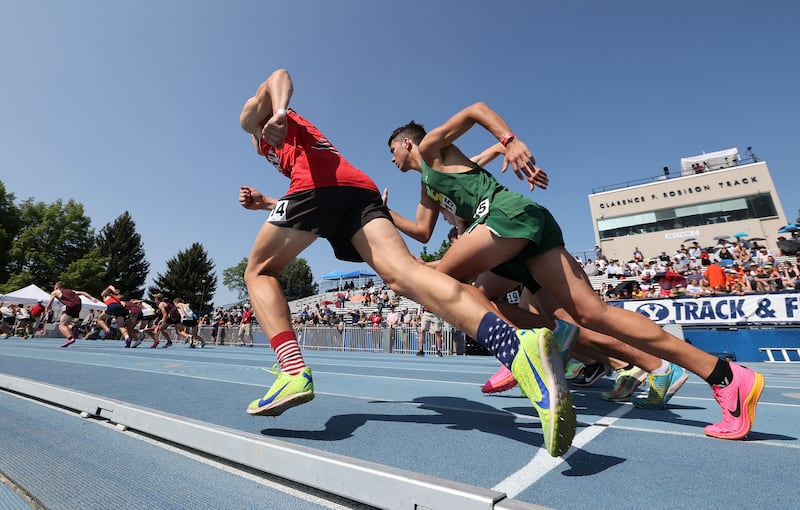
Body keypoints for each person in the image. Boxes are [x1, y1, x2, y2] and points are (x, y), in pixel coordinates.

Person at [237, 69, 575, 457]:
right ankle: (516, 348)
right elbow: (313, 202)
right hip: (356, 191)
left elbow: (278, 76)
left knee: (258, 271)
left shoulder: (252, 119)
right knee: (405, 276)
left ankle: (292, 370)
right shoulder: (278, 145)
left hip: (319, 188)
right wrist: (267, 202)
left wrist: (279, 111)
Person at [386, 102, 765, 440]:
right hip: (514, 234)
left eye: (392, 152)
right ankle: (725, 375)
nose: (391, 160)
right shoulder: (428, 188)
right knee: (593, 314)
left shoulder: (431, 147)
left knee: (444, 284)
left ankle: (524, 348)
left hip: (503, 217)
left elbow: (476, 109)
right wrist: (383, 214)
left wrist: (510, 141)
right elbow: (421, 232)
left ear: (406, 143)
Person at [44, 281, 98, 347]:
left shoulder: (55, 292)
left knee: (61, 325)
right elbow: (83, 292)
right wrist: (91, 298)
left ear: (57, 287)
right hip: (78, 306)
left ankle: (70, 338)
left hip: (70, 305)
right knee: (66, 323)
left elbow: (50, 302)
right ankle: (73, 327)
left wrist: (47, 309)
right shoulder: (71, 291)